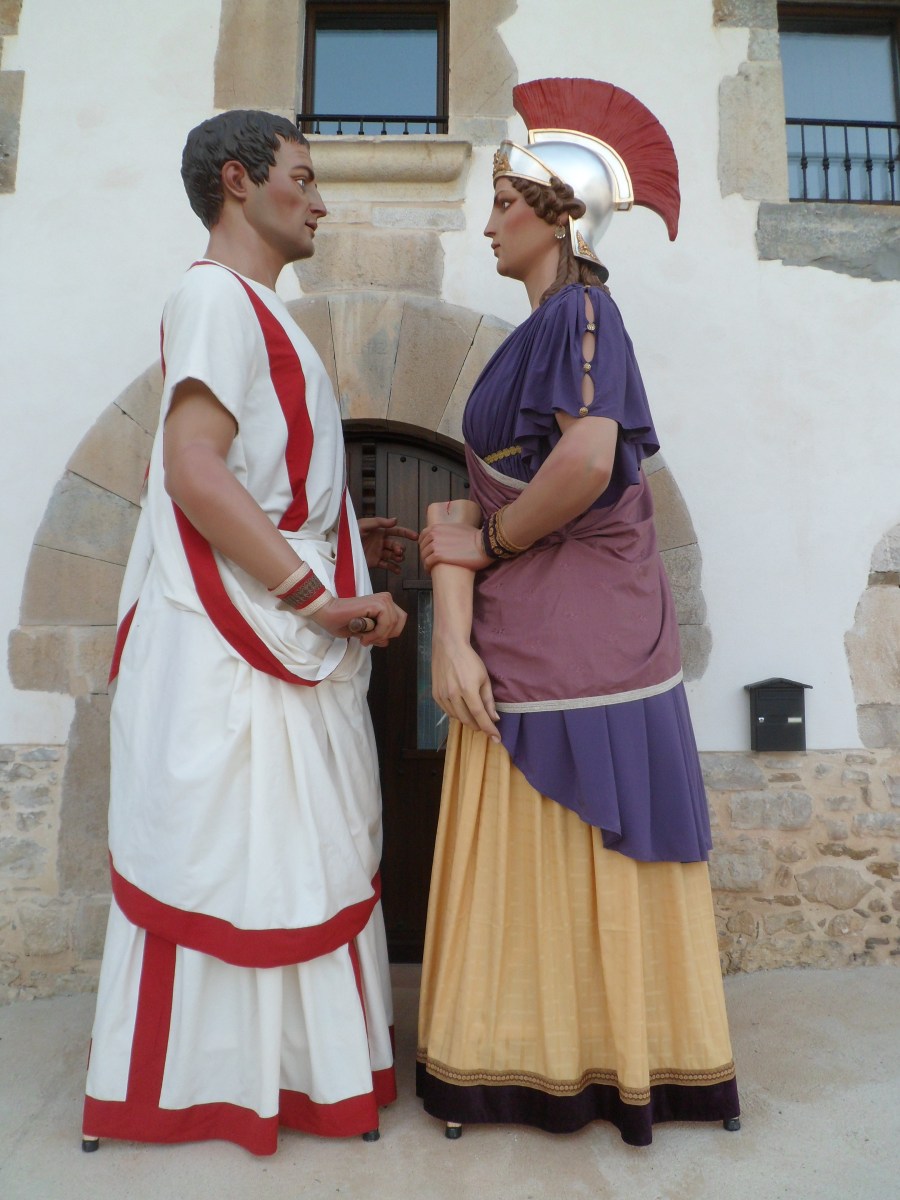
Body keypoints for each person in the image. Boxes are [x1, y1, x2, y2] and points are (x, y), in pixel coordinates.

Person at [82, 110, 415, 1156]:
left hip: (260, 631)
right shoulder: (214, 297)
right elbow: (194, 468)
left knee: (285, 855)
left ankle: (283, 1077)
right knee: (252, 856)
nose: (319, 202)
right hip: (238, 651)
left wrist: (343, 539)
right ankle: (225, 1089)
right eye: (302, 179)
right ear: (239, 180)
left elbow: (253, 479)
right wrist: (316, 594)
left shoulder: (255, 308)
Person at [416, 78, 740, 1147]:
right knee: (531, 841)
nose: (489, 222)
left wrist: (494, 544)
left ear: (560, 216)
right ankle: (523, 1056)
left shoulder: (583, 313)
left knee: (563, 836)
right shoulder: (547, 326)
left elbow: (590, 458)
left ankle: (593, 1062)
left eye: (506, 201)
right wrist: (461, 589)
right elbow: (496, 490)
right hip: (534, 613)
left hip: (583, 620)